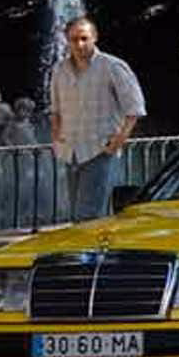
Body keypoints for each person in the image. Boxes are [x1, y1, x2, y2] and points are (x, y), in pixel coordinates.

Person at [50, 17, 146, 222]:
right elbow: (55, 109)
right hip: (70, 152)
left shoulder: (113, 66)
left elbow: (135, 108)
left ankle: (90, 243)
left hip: (99, 150)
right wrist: (57, 137)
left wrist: (117, 142)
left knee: (88, 215)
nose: (79, 44)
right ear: (67, 41)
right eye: (74, 39)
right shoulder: (59, 69)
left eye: (84, 38)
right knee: (80, 215)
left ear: (95, 38)